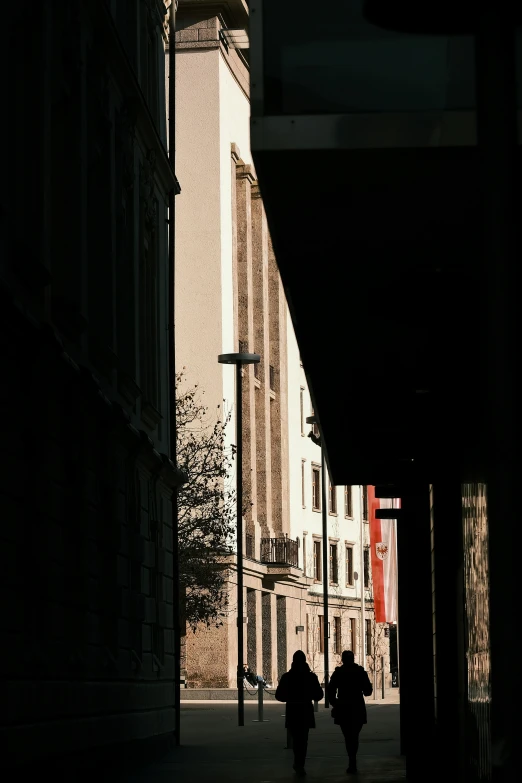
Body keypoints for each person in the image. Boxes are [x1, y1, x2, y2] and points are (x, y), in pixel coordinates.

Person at [275, 650, 324, 777]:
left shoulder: (287, 677)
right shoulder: (311, 677)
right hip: (305, 710)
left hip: (292, 710)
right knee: (303, 739)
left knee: (296, 739)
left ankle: (298, 763)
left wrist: (290, 697)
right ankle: (300, 763)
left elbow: (279, 695)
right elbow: (319, 695)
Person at [327, 650, 373, 774]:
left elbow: (330, 691)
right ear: (353, 659)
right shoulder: (360, 672)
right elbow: (368, 691)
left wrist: (335, 703)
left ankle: (351, 760)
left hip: (343, 707)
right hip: (357, 706)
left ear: (342, 659)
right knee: (354, 735)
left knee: (348, 736)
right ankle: (353, 760)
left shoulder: (338, 673)